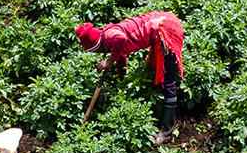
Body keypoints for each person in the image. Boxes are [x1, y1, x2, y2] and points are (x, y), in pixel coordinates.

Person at [74, 11, 185, 144]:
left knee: (167, 78)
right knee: (152, 69)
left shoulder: (110, 35)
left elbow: (120, 39)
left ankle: (168, 130)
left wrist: (109, 61)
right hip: (160, 24)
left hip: (166, 28)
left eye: (94, 51)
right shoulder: (109, 39)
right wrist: (122, 83)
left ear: (96, 47)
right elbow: (121, 57)